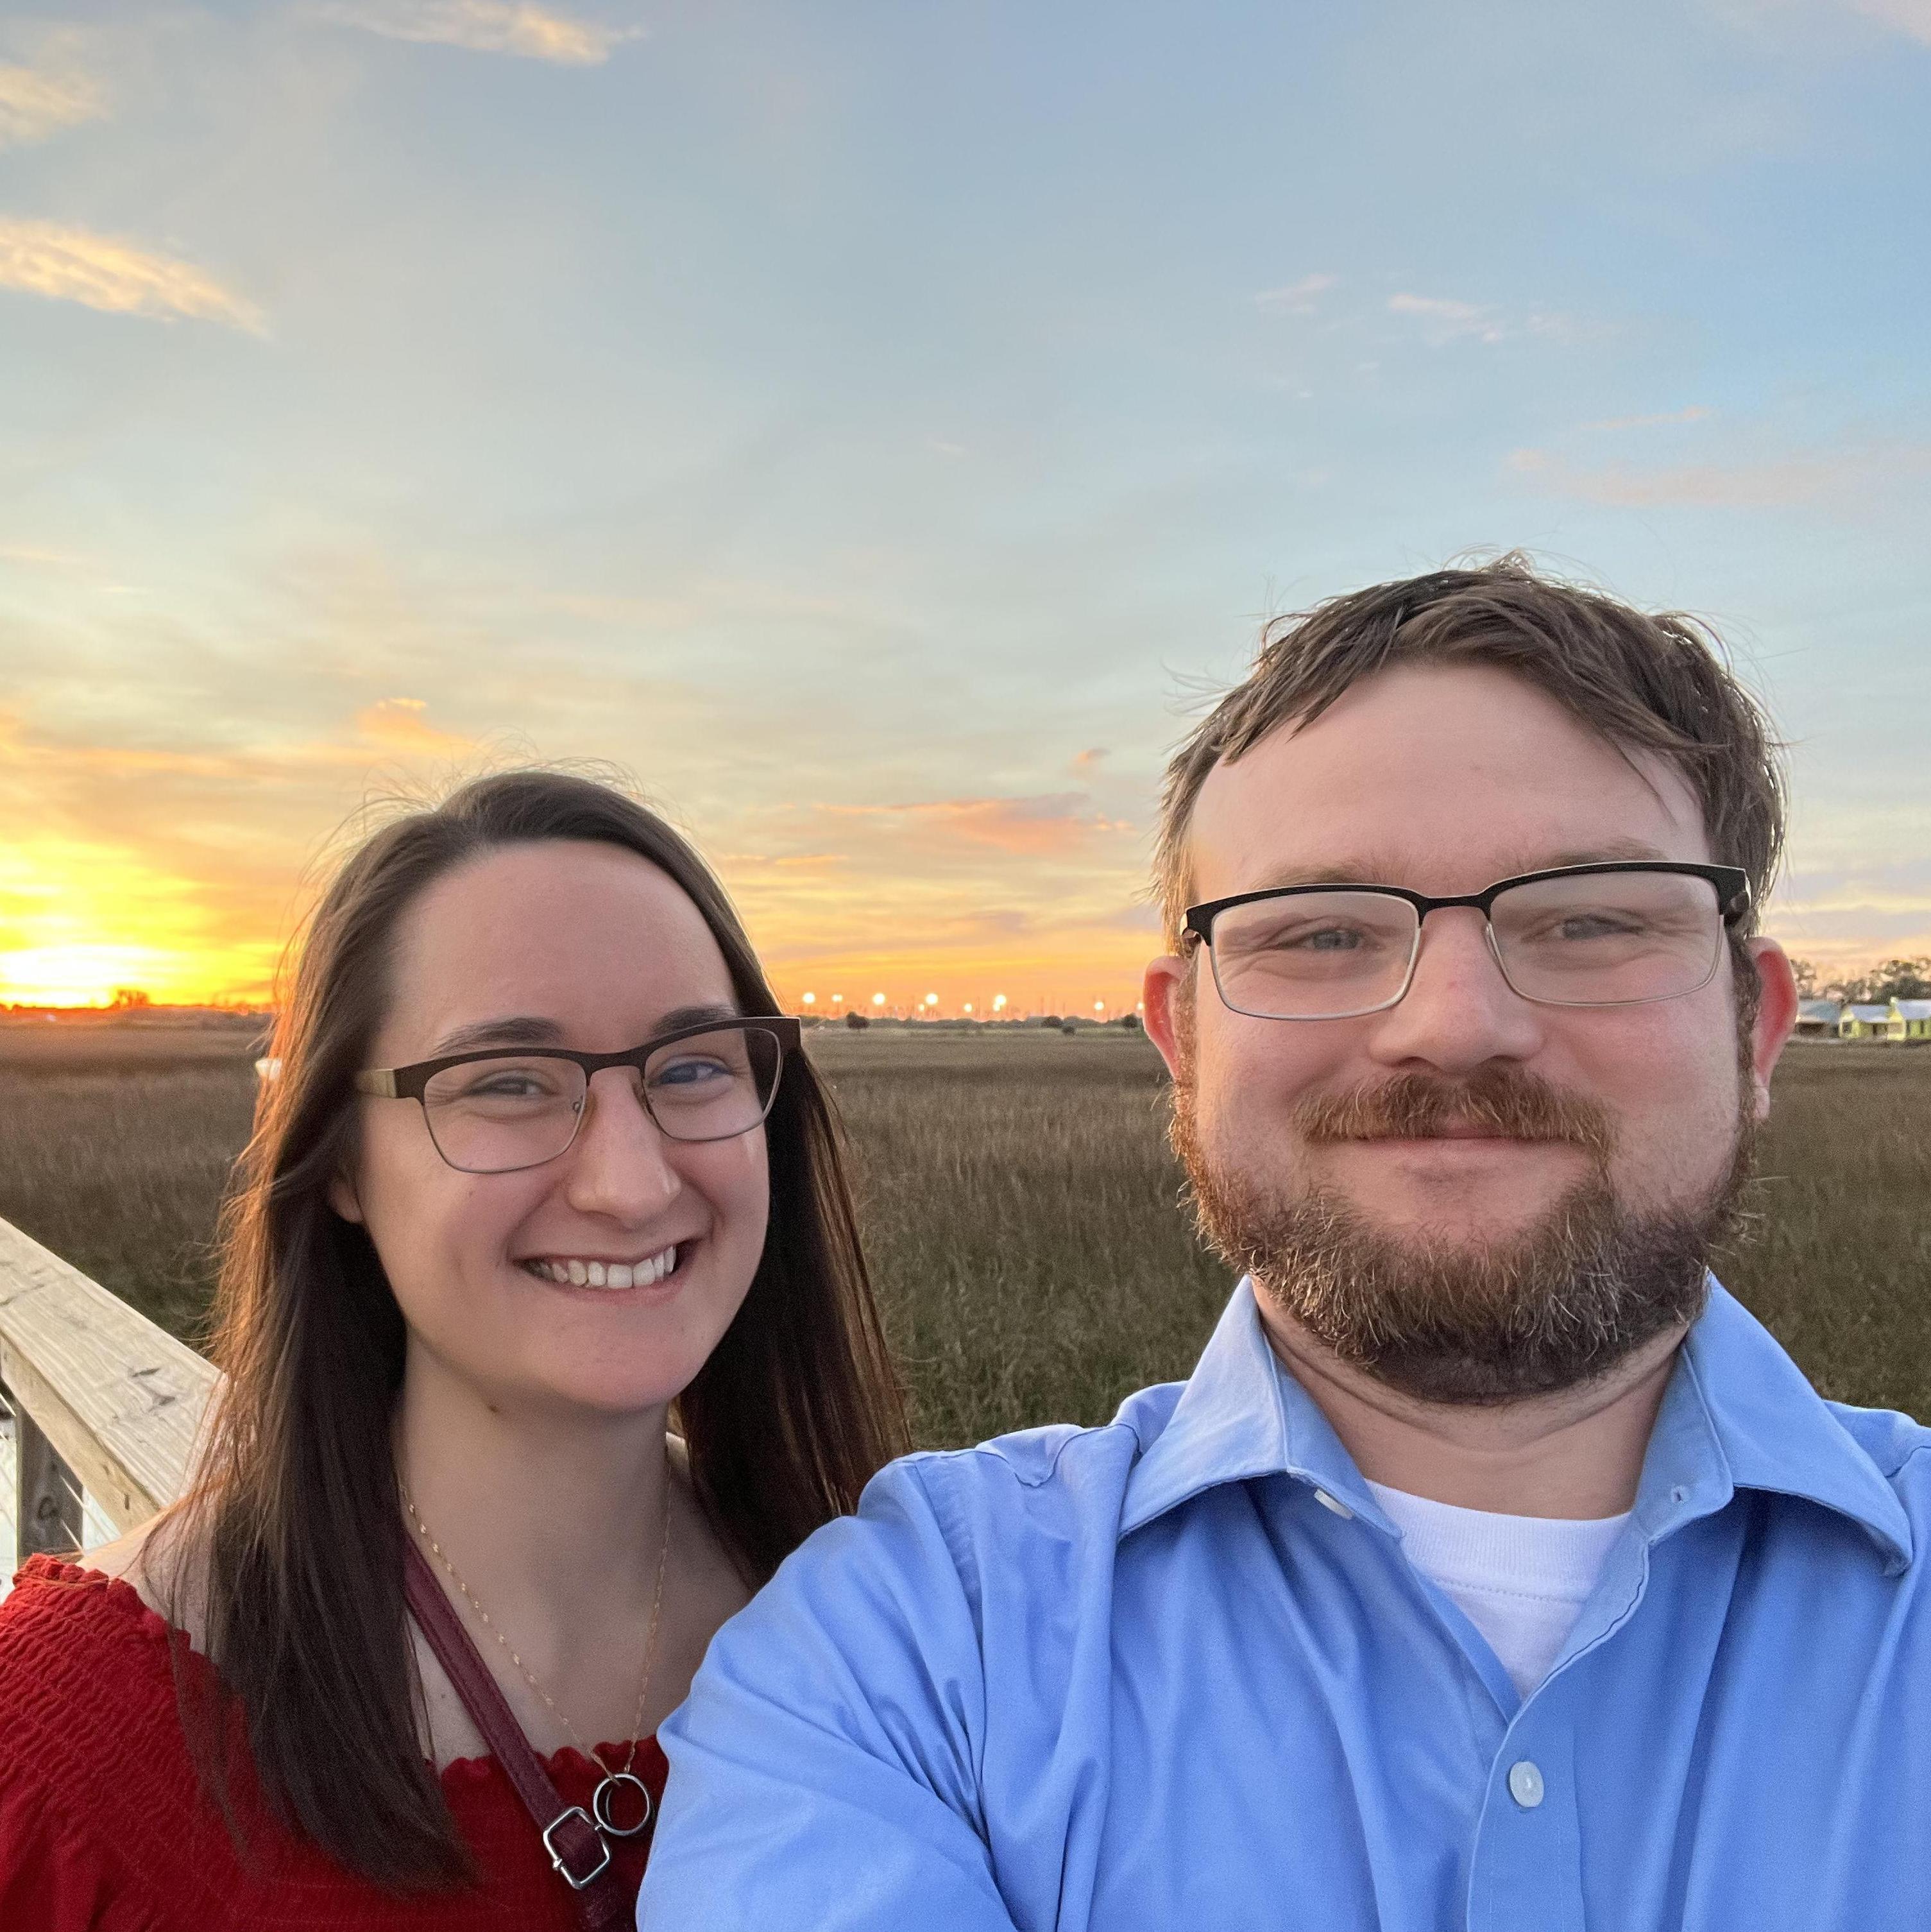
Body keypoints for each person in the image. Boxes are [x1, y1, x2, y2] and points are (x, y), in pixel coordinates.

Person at [638, 558, 1931, 1932]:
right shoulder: (906, 1652)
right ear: (1181, 1041)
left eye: (1591, 918)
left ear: (1753, 1025)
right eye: (1317, 934)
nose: (1449, 1024)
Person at [0, 771, 907, 1931]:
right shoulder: (83, 1761)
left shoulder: (894, 1641)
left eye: (691, 1069)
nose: (630, 1186)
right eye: (507, 1084)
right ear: (336, 1162)